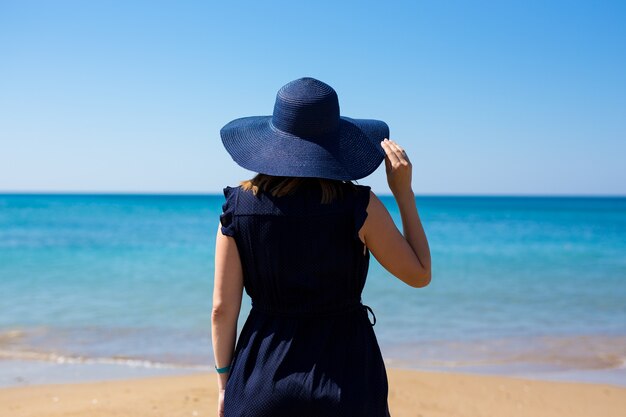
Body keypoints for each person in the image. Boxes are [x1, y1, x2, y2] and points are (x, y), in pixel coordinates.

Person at [211, 77, 431, 417]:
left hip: (260, 379)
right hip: (347, 377)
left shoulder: (238, 208)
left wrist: (225, 382)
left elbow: (222, 309)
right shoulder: (359, 206)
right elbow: (419, 274)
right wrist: (403, 192)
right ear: (335, 143)